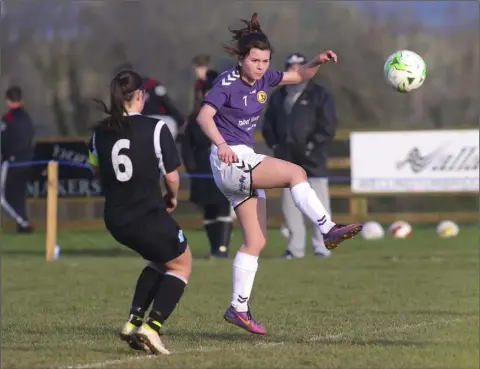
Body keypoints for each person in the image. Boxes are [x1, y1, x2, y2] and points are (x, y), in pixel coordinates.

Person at [196, 13, 363, 335]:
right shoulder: (226, 83)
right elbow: (204, 116)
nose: (260, 66)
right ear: (241, 59)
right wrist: (220, 144)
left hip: (238, 164)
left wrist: (318, 61)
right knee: (295, 172)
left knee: (256, 241)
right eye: (255, 60)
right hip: (230, 159)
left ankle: (238, 308)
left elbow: (299, 76)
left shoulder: (263, 78)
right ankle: (327, 228)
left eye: (265, 61)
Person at [88, 69, 192, 355]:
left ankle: (133, 323)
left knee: (161, 261)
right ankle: (152, 328)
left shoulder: (100, 132)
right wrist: (172, 198)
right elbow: (171, 177)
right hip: (145, 213)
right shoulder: (156, 128)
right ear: (139, 96)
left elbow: (95, 169)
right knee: (182, 264)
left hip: (115, 218)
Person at [262, 52, 338, 259]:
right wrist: (275, 144)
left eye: (299, 66)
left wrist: (313, 145)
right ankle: (295, 248)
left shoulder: (319, 94)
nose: (295, 70)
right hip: (287, 159)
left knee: (319, 204)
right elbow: (267, 125)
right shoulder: (278, 96)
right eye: (291, 66)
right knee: (291, 206)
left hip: (313, 160)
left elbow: (328, 125)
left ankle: (322, 247)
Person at [182, 70, 233, 258]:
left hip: (224, 167)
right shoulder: (194, 119)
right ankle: (214, 248)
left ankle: (223, 248)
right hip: (202, 170)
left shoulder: (228, 115)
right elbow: (186, 145)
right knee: (209, 211)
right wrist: (191, 166)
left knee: (223, 208)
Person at [113, 62, 185, 140]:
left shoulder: (150, 85)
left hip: (158, 120)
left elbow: (167, 104)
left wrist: (180, 119)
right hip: (147, 122)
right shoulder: (124, 90)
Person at [0, 86, 35, 233]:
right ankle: (21, 224)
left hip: (11, 161)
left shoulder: (8, 118)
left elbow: (3, 140)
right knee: (18, 195)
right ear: (21, 100)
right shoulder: (27, 118)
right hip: (27, 160)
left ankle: (23, 222)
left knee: (3, 197)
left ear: (8, 101)